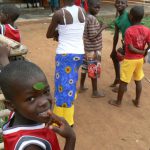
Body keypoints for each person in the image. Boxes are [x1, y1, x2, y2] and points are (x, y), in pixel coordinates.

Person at [0, 45, 76, 150]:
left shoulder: (18, 111)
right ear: (11, 105)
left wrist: (3, 58)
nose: (44, 102)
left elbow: (14, 84)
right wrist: (71, 138)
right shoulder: (31, 146)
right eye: (31, 99)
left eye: (46, 91)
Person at [46, 0, 85, 126]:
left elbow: (48, 34)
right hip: (79, 53)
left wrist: (59, 32)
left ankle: (65, 120)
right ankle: (67, 113)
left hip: (65, 55)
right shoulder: (82, 10)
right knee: (71, 81)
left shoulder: (59, 14)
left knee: (62, 87)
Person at [109, 6, 150, 107]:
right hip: (140, 60)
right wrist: (144, 52)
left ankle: (118, 102)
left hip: (130, 59)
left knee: (123, 81)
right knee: (138, 80)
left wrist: (140, 52)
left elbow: (130, 48)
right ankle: (137, 101)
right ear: (142, 17)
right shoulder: (147, 30)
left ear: (130, 16)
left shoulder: (129, 31)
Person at [79, 0, 107, 98]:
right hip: (93, 49)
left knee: (85, 68)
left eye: (99, 7)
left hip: (87, 49)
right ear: (89, 6)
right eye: (96, 7)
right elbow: (92, 36)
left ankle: (81, 86)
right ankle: (95, 92)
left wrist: (99, 26)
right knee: (94, 69)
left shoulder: (87, 17)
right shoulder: (91, 18)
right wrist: (102, 27)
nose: (98, 9)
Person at [110, 0, 131, 88]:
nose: (119, 4)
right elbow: (115, 36)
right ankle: (118, 78)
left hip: (131, 45)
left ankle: (123, 86)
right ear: (114, 4)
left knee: (128, 64)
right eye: (118, 2)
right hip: (125, 44)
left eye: (122, 3)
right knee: (115, 56)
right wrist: (113, 49)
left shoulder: (129, 15)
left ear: (126, 5)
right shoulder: (117, 20)